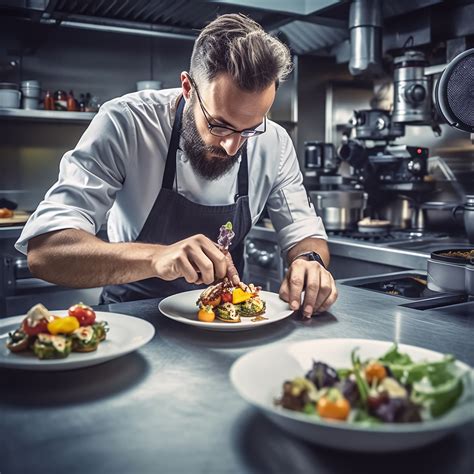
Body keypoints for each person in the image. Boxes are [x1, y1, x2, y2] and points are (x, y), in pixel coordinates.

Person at [16, 13, 337, 318]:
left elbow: (304, 234)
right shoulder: (127, 121)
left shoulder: (275, 141)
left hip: (227, 322)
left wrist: (309, 263)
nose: (233, 145)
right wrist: (157, 257)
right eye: (219, 125)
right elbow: (46, 253)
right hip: (134, 315)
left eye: (250, 129)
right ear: (187, 87)